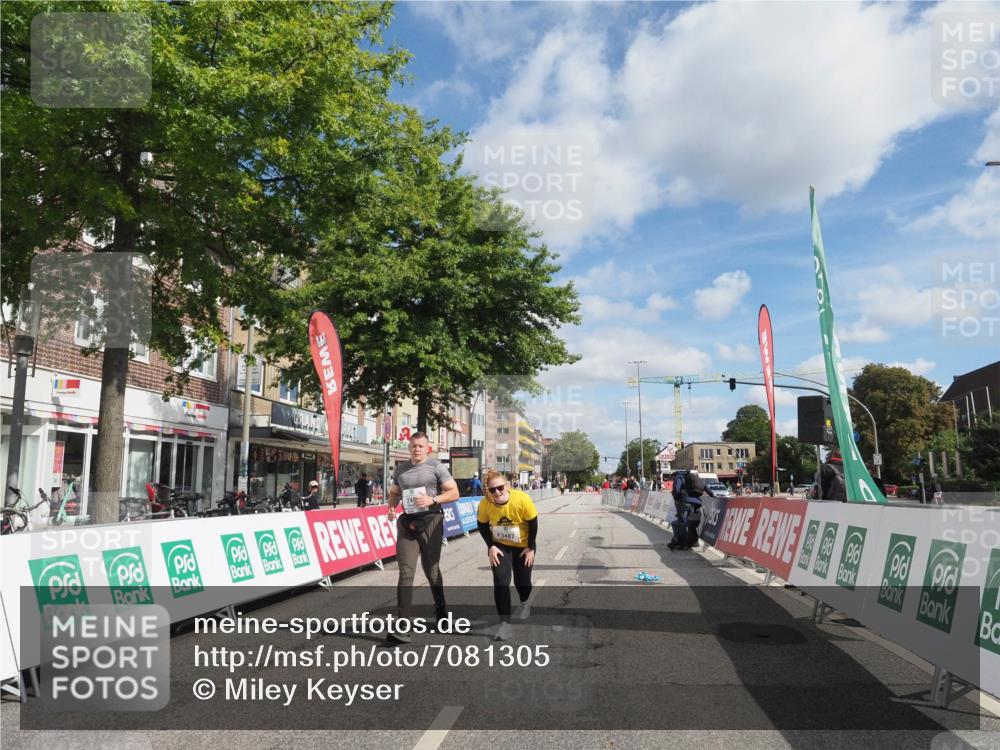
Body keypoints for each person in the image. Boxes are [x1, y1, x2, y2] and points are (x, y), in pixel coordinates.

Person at [386, 432, 460, 643]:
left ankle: (441, 611)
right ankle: (403, 627)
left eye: (420, 446)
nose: (416, 449)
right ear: (409, 448)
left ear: (427, 448)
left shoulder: (435, 467)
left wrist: (432, 498)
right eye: (413, 446)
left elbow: (454, 493)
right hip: (407, 524)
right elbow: (394, 493)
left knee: (432, 572)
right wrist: (391, 508)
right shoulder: (400, 469)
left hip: (431, 522)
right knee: (405, 573)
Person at [478, 469, 538, 641]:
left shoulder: (522, 499)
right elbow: (482, 526)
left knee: (522, 582)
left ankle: (525, 602)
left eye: (500, 488)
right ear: (487, 491)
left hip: (523, 545)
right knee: (501, 582)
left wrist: (530, 547)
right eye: (492, 490)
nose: (497, 492)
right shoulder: (485, 504)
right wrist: (491, 546)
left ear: (507, 486)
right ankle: (505, 625)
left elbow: (533, 523)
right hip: (500, 545)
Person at [669, 469, 714, 551]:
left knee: (682, 523)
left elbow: (676, 489)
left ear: (674, 475)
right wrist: (713, 496)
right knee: (690, 523)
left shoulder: (679, 477)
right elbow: (707, 489)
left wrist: (678, 499)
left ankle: (684, 544)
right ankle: (692, 542)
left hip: (684, 502)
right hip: (696, 503)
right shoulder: (694, 478)